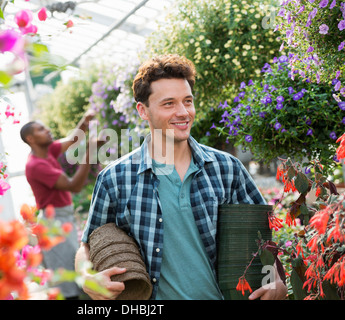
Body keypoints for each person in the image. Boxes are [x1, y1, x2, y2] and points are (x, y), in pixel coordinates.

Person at [74, 54, 287, 300]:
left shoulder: (227, 168)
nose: (183, 112)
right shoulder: (115, 179)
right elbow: (88, 245)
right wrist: (86, 277)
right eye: (169, 104)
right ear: (143, 110)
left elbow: (263, 233)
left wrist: (276, 280)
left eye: (188, 101)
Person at [20, 110, 95, 300]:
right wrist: (90, 153)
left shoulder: (48, 151)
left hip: (63, 218)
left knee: (74, 273)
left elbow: (72, 140)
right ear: (30, 138)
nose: (47, 130)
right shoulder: (36, 165)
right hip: (54, 225)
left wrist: (85, 120)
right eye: (40, 129)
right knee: (67, 286)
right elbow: (74, 186)